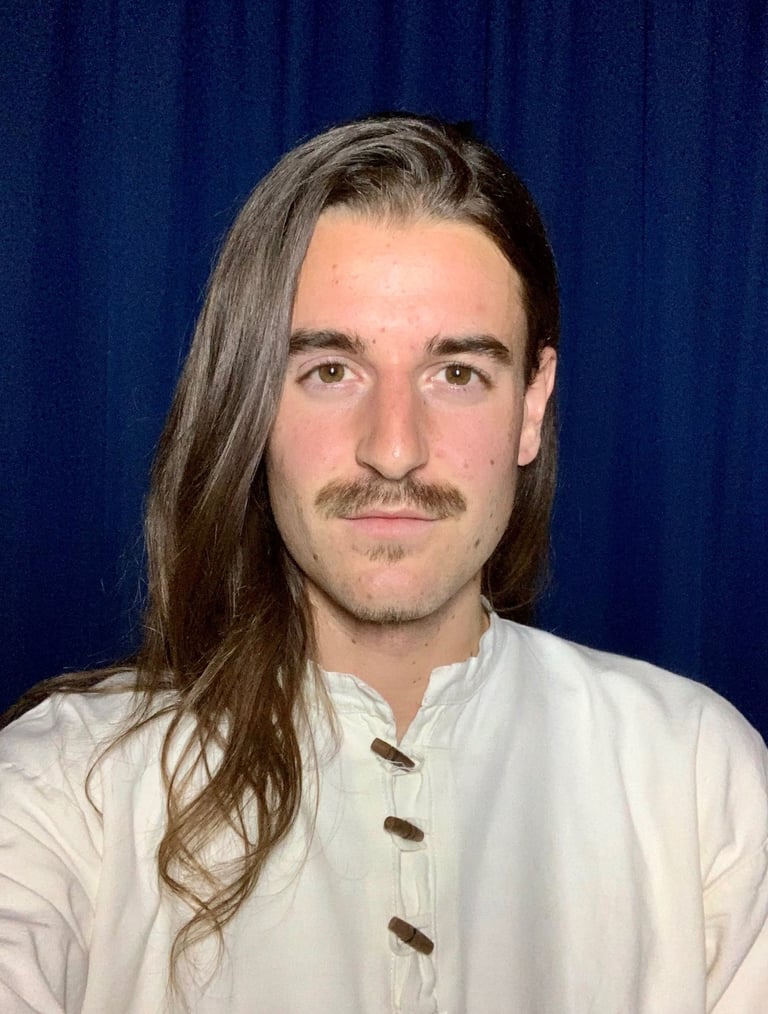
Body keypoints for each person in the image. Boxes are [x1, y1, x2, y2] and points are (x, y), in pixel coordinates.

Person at [0, 114, 766, 1014]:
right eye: (331, 370)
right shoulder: (64, 790)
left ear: (532, 406)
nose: (394, 449)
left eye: (458, 374)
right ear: (250, 402)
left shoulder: (697, 775)